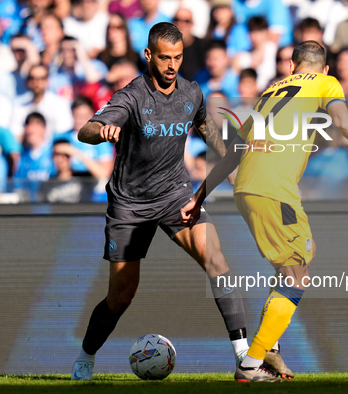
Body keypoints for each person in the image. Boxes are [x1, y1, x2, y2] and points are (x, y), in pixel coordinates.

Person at [178, 40, 348, 382]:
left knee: (293, 265)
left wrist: (200, 196)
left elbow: (232, 154)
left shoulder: (269, 93)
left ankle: (271, 347)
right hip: (274, 191)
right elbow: (344, 122)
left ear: (291, 67)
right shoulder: (325, 83)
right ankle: (251, 363)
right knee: (298, 275)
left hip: (246, 189)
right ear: (325, 69)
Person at [71, 22, 283, 382]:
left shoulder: (191, 92)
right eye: (165, 58)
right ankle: (85, 358)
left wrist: (231, 164)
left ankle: (245, 360)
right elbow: (86, 129)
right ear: (149, 55)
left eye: (178, 58)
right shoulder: (132, 97)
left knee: (216, 260)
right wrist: (102, 131)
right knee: (121, 296)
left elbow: (205, 128)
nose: (172, 65)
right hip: (130, 205)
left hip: (176, 195)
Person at [11, 64, 74, 139]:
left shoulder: (60, 104)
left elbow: (64, 132)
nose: (36, 82)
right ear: (27, 82)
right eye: (32, 78)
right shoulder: (21, 108)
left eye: (41, 78)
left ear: (48, 81)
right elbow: (16, 134)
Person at [173, 7, 206, 81]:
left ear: (192, 24)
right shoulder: (165, 48)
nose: (181, 24)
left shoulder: (203, 47)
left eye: (186, 21)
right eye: (177, 20)